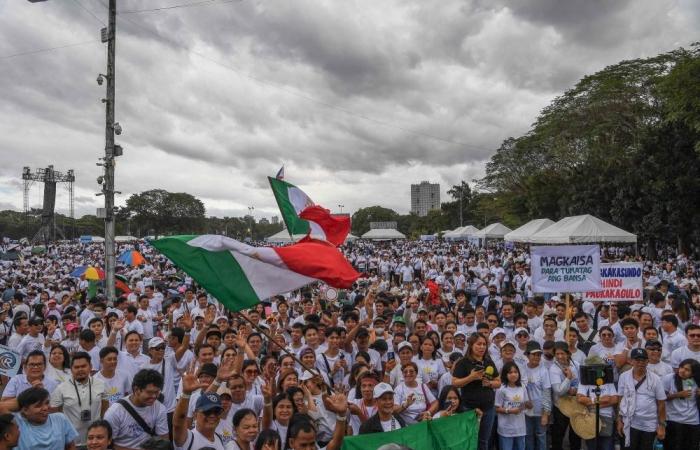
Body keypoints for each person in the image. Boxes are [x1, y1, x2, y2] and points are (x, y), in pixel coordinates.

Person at [49, 351, 108, 447]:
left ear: (90, 366)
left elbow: (105, 406)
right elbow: (55, 413)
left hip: (95, 441)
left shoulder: (101, 384)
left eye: (83, 366)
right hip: (72, 442)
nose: (80, 369)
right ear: (71, 369)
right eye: (76, 367)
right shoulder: (61, 388)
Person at [452, 333, 500, 450]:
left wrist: (490, 383)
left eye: (484, 344)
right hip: (470, 408)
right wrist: (471, 377)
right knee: (470, 439)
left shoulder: (488, 361)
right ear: (471, 345)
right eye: (479, 344)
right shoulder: (462, 363)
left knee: (484, 440)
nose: (482, 347)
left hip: (488, 408)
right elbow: (454, 383)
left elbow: (498, 382)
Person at [103, 369, 169, 449]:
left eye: (157, 392)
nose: (154, 396)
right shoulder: (115, 412)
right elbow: (106, 444)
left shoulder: (160, 408)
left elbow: (164, 439)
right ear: (136, 390)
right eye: (149, 392)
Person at [617, 348, 667, 450]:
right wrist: (619, 420)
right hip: (629, 423)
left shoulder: (655, 379)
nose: (641, 363)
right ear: (631, 361)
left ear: (647, 361)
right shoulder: (623, 376)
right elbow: (620, 399)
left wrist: (661, 426)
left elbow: (661, 404)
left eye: (643, 360)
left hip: (649, 425)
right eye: (637, 360)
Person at [172, 370, 225, 450]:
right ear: (195, 414)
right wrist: (186, 393)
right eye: (207, 411)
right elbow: (178, 423)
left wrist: (218, 380)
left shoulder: (219, 439)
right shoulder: (187, 438)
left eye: (216, 411)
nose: (212, 415)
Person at [13, 387, 78, 450]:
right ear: (25, 410)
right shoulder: (17, 423)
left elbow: (70, 446)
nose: (45, 408)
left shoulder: (60, 419)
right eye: (38, 405)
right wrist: (22, 401)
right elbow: (2, 407)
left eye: (47, 403)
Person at [576, 356, 618, 450]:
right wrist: (598, 401)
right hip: (591, 417)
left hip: (607, 418)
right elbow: (580, 399)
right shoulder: (584, 380)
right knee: (591, 446)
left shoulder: (607, 379)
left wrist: (590, 402)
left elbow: (614, 399)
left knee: (607, 446)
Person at [661, 358, 700, 450]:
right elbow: (661, 398)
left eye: (687, 370)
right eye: (681, 367)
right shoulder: (669, 378)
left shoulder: (697, 380)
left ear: (693, 373)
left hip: (693, 421)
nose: (682, 371)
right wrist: (677, 395)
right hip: (673, 420)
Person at [548, 341, 581, 450]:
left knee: (576, 434)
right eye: (557, 354)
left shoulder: (576, 364)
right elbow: (559, 391)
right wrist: (568, 378)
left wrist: (576, 390)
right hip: (561, 407)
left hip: (576, 405)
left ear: (568, 353)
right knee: (558, 435)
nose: (560, 356)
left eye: (562, 353)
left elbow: (583, 383)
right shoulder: (553, 369)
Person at [522, 341, 551, 450]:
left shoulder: (543, 371)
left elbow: (547, 392)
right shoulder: (522, 368)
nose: (537, 357)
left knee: (541, 436)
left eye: (539, 354)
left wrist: (545, 414)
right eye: (534, 354)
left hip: (540, 411)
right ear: (527, 355)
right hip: (526, 411)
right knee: (528, 436)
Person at [495, 362, 530, 450]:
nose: (513, 374)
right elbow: (496, 408)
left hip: (520, 428)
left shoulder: (522, 386)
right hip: (506, 429)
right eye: (510, 372)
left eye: (515, 372)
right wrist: (509, 411)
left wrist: (527, 405)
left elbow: (526, 403)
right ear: (505, 374)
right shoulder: (501, 388)